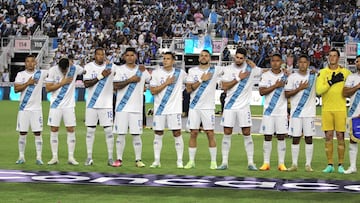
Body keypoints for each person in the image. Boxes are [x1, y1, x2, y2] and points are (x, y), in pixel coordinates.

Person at [217, 48, 262, 170]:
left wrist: (252, 64)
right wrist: (238, 78)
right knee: (227, 133)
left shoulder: (251, 70)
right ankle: (224, 162)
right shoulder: (227, 70)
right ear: (234, 57)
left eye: (241, 58)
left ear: (245, 58)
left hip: (244, 107)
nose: (239, 60)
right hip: (230, 106)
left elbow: (261, 71)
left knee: (247, 133)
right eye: (237, 57)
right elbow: (224, 86)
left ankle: (251, 163)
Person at [183, 49, 223, 170]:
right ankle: (191, 161)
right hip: (194, 107)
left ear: (210, 58)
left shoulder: (216, 70)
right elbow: (189, 90)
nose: (204, 57)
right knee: (193, 133)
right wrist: (201, 80)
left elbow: (235, 68)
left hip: (208, 108)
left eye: (206, 55)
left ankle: (213, 162)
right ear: (199, 58)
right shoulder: (192, 71)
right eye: (202, 55)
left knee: (210, 133)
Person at [112, 47, 151, 168]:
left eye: (132, 55)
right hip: (122, 107)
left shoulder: (142, 71)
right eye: (127, 55)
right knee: (121, 134)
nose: (130, 57)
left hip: (136, 108)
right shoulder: (119, 70)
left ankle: (138, 159)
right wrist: (130, 80)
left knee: (136, 135)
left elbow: (149, 82)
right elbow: (115, 85)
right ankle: (118, 159)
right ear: (124, 57)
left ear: (136, 57)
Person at [316, 48, 351, 173]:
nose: (332, 58)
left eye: (334, 55)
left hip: (341, 108)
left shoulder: (346, 72)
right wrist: (331, 82)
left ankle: (340, 164)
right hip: (327, 109)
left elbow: (351, 88)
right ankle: (330, 164)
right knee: (328, 136)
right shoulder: (322, 72)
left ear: (338, 57)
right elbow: (319, 91)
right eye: (330, 55)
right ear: (328, 58)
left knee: (341, 136)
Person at [149, 52, 187, 168]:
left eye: (168, 59)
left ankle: (179, 161)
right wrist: (166, 83)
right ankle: (156, 161)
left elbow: (189, 84)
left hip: (174, 109)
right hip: (160, 109)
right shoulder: (156, 73)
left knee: (177, 133)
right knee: (158, 133)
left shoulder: (180, 73)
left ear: (173, 61)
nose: (165, 61)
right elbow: (153, 91)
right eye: (164, 58)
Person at [45, 58, 84, 165]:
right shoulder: (52, 70)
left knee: (71, 129)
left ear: (69, 66)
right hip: (56, 104)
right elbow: (48, 89)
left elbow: (85, 71)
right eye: (62, 70)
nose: (64, 72)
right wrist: (62, 83)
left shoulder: (74, 69)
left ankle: (71, 157)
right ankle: (54, 157)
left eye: (65, 70)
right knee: (54, 129)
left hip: (69, 105)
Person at [83, 47, 115, 166]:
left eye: (103, 54)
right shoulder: (88, 67)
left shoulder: (111, 67)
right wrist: (101, 76)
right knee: (90, 131)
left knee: (109, 131)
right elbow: (86, 84)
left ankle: (110, 158)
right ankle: (89, 157)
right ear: (95, 55)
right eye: (98, 54)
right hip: (92, 104)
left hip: (106, 105)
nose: (101, 56)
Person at [284, 54, 316, 172]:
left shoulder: (313, 76)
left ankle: (308, 164)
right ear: (298, 64)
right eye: (300, 62)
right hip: (296, 113)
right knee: (295, 138)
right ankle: (294, 164)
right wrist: (299, 88)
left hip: (309, 112)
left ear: (308, 63)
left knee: (309, 138)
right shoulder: (292, 77)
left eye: (305, 62)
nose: (303, 64)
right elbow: (286, 94)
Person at [14, 55, 47, 165]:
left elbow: (55, 71)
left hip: (36, 109)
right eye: (27, 61)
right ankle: (21, 156)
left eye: (32, 61)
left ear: (35, 63)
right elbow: (16, 89)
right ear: (25, 63)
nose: (30, 63)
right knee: (22, 133)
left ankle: (39, 157)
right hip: (24, 109)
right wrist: (28, 83)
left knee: (38, 133)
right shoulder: (20, 75)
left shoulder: (41, 74)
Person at [258, 53, 288, 171]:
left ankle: (281, 163)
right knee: (267, 137)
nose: (275, 63)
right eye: (273, 61)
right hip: (268, 111)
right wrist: (275, 86)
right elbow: (261, 92)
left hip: (281, 111)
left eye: (277, 60)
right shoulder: (265, 76)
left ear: (281, 62)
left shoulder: (286, 76)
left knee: (281, 136)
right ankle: (266, 163)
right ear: (270, 62)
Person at [342, 55, 360, 174]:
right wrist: (357, 87)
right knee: (353, 140)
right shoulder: (351, 77)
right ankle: (353, 166)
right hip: (354, 113)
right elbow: (344, 93)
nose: (359, 63)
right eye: (357, 61)